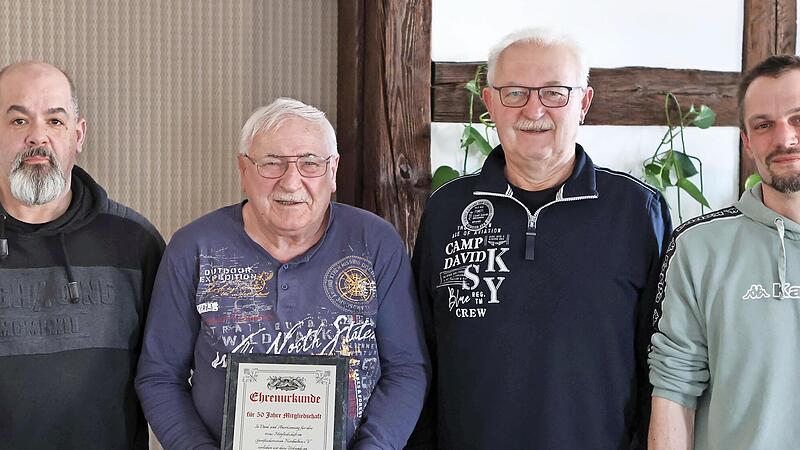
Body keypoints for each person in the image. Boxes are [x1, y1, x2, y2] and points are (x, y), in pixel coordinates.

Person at [410, 28, 671, 449]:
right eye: (514, 93)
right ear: (490, 103)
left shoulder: (637, 211)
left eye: (554, 92)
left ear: (583, 103)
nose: (534, 109)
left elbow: (660, 359)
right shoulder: (446, 209)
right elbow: (421, 351)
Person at [135, 97, 429, 449]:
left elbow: (407, 369)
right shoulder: (193, 248)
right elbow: (160, 376)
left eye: (310, 163)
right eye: (272, 164)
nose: (291, 182)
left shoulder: (375, 242)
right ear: (244, 170)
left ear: (332, 171)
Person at [0, 61, 165, 449]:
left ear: (79, 135)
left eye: (55, 121)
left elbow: (167, 376)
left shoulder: (135, 243)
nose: (37, 137)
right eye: (18, 121)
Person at [648, 55, 800, 450]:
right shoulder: (699, 247)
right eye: (764, 125)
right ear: (747, 142)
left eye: (798, 118)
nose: (784, 139)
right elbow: (674, 387)